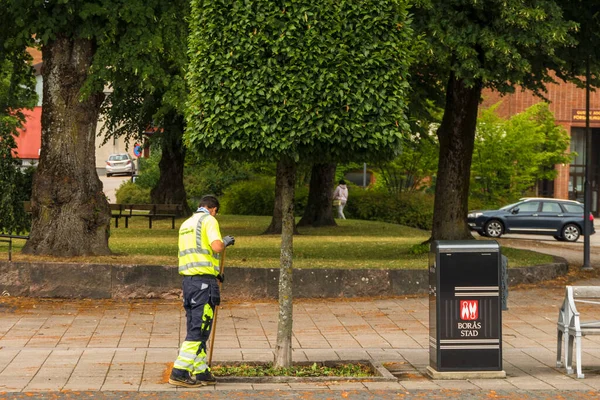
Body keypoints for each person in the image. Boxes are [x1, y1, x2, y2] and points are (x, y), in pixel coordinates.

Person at [169, 195, 235, 388]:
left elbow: (198, 253)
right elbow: (215, 246)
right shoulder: (209, 220)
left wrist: (214, 272)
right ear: (213, 209)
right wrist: (225, 242)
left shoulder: (186, 224)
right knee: (200, 330)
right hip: (203, 286)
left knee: (195, 326)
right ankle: (179, 372)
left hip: (189, 282)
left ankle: (201, 371)